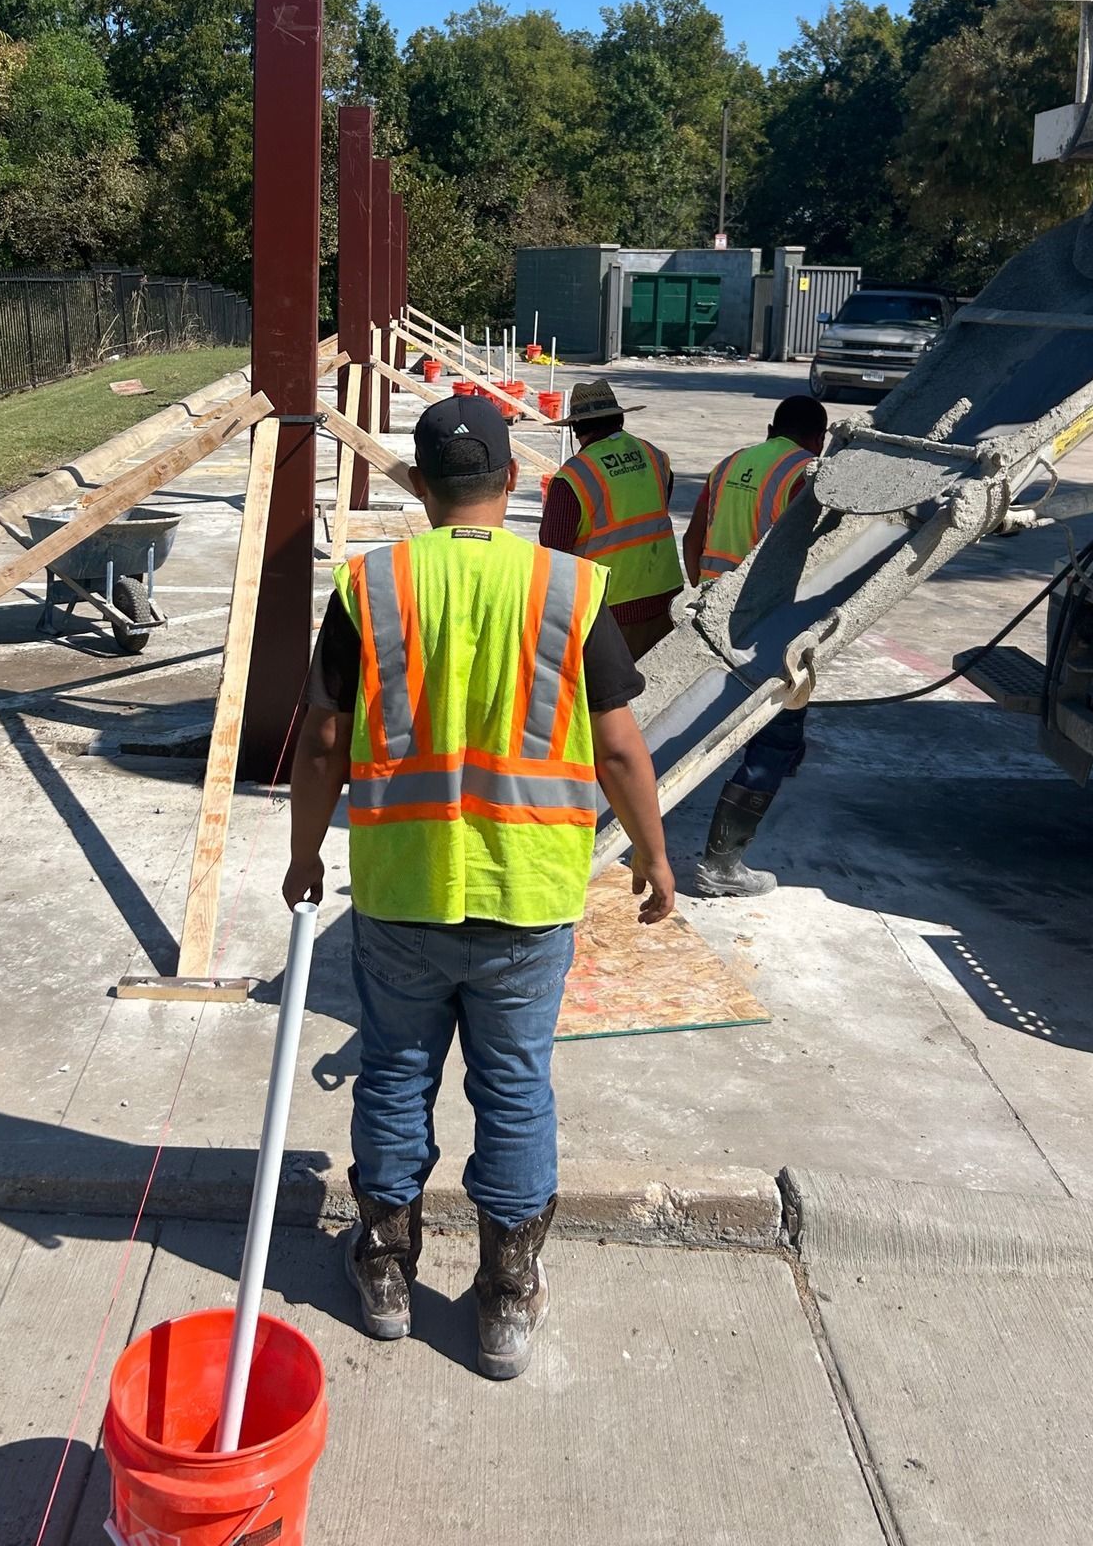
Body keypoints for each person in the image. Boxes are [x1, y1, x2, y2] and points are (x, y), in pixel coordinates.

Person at [285, 394, 675, 1381]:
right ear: (512, 480)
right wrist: (653, 854)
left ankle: (384, 1274)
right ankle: (504, 1302)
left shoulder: (371, 588)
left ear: (420, 488)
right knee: (512, 1091)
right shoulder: (568, 590)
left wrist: (302, 855)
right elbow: (621, 746)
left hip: (401, 888)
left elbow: (325, 736)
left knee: (395, 1076)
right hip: (529, 893)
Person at [681, 394, 829, 897]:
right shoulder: (808, 471)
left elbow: (695, 534)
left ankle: (785, 759)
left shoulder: (731, 462)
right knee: (774, 737)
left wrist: (702, 589)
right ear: (818, 438)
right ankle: (722, 865)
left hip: (715, 612)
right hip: (766, 623)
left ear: (771, 429)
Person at [540, 378, 683, 661]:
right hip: (667, 598)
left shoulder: (574, 477)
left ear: (576, 428)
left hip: (610, 611)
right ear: (619, 418)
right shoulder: (655, 456)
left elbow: (553, 556)